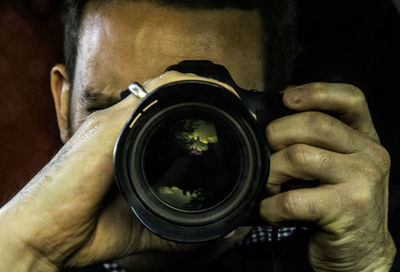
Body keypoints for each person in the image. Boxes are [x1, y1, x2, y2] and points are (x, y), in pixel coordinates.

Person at [0, 0, 398, 271]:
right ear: (61, 104)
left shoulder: (331, 245)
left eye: (206, 118)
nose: (165, 160)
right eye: (112, 113)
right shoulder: (27, 237)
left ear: (278, 113)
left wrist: (369, 263)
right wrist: (25, 248)